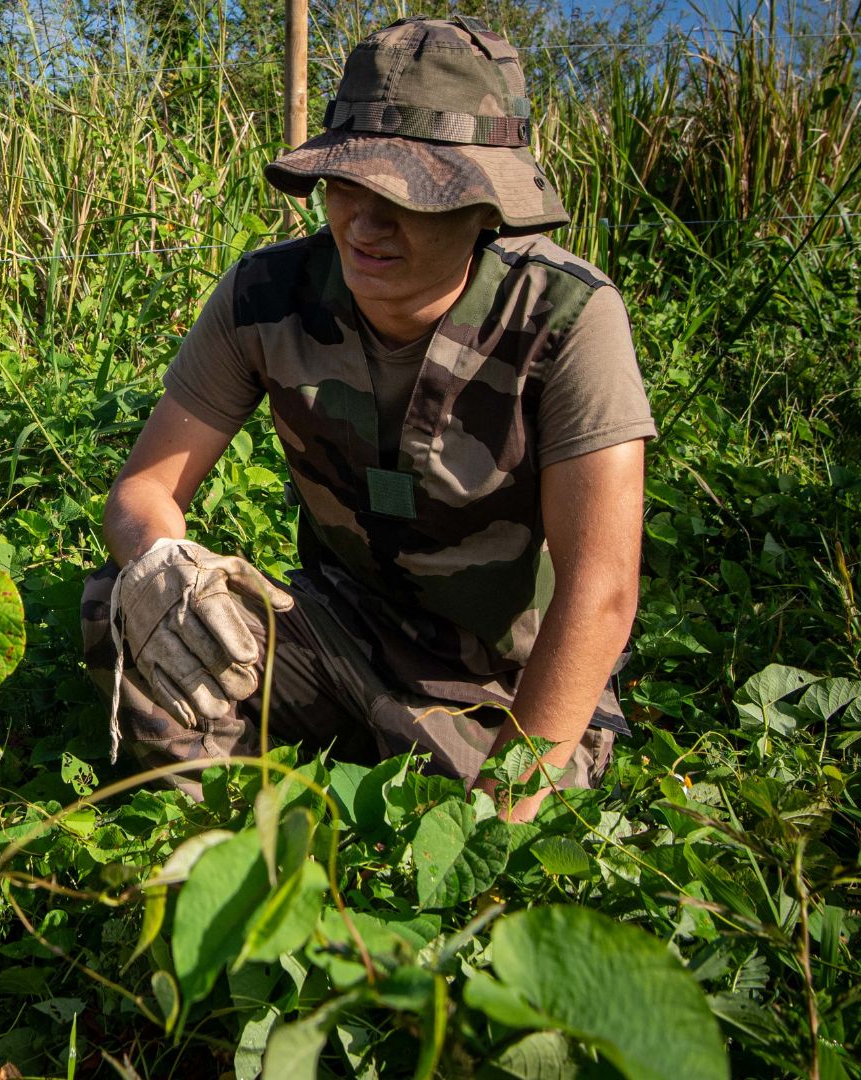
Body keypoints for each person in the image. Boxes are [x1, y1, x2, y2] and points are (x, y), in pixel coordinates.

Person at [84, 15, 655, 823]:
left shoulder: (564, 318)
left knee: (503, 818)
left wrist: (498, 821)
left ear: (487, 207)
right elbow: (142, 491)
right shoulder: (266, 295)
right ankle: (216, 845)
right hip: (339, 628)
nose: (366, 221)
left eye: (413, 196)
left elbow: (601, 591)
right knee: (135, 605)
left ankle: (415, 792)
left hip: (507, 686)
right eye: (348, 183)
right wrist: (159, 562)